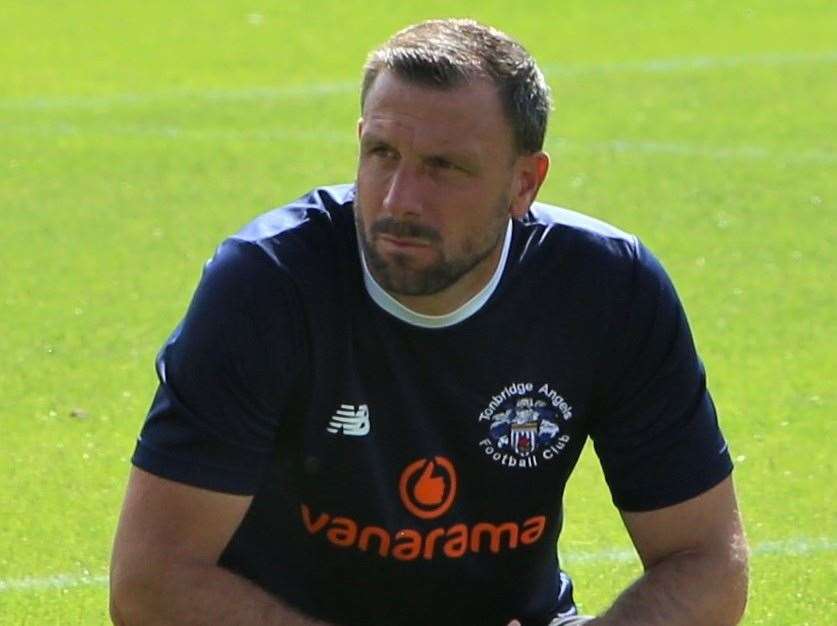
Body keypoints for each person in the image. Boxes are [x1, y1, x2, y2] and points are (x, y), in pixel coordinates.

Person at [109, 18, 748, 626]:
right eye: (382, 153)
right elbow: (152, 582)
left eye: (445, 167)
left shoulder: (610, 289)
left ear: (524, 182)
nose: (399, 199)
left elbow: (709, 561)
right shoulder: (268, 285)